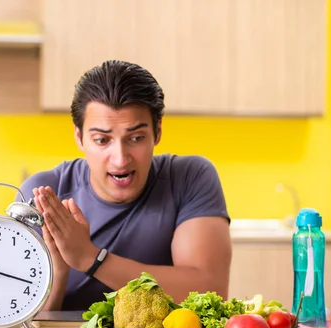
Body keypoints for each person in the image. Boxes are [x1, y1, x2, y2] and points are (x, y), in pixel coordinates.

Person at [18, 60, 231, 311]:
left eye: (136, 138)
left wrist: (90, 258)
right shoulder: (44, 193)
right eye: (102, 140)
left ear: (157, 131)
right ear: (79, 137)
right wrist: (59, 271)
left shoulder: (190, 178)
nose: (120, 158)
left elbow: (209, 289)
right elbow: (23, 320)